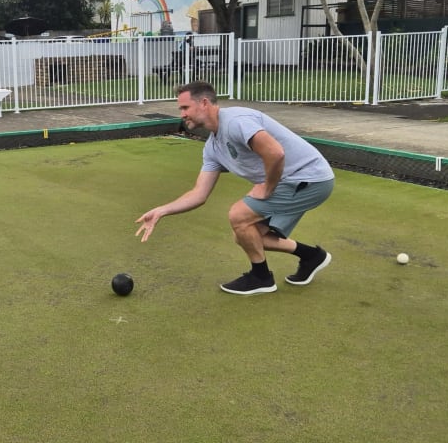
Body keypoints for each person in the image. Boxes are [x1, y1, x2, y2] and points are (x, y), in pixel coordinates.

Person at [135, 81, 335, 295]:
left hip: (309, 177)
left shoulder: (236, 122)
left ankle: (261, 278)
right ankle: (311, 256)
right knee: (246, 236)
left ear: (204, 103)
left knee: (239, 215)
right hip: (294, 181)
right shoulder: (213, 147)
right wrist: (162, 210)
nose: (182, 114)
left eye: (185, 108)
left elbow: (275, 152)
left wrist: (267, 188)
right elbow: (199, 194)